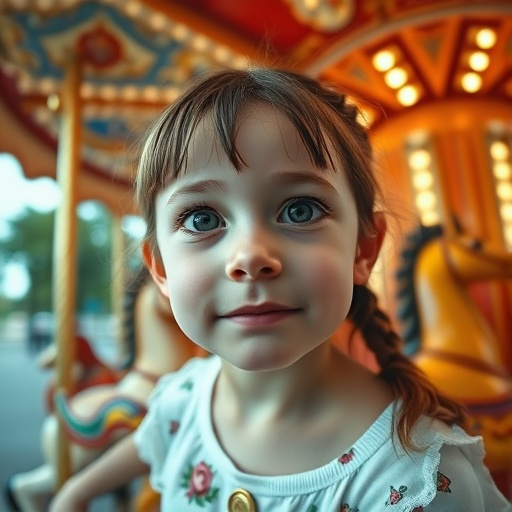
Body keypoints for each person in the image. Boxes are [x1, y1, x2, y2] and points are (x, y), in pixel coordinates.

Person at [49, 68, 511, 512]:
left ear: (363, 249)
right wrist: (73, 495)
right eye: (202, 219)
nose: (249, 256)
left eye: (300, 210)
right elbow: (149, 440)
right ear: (160, 269)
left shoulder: (417, 480)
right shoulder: (186, 397)